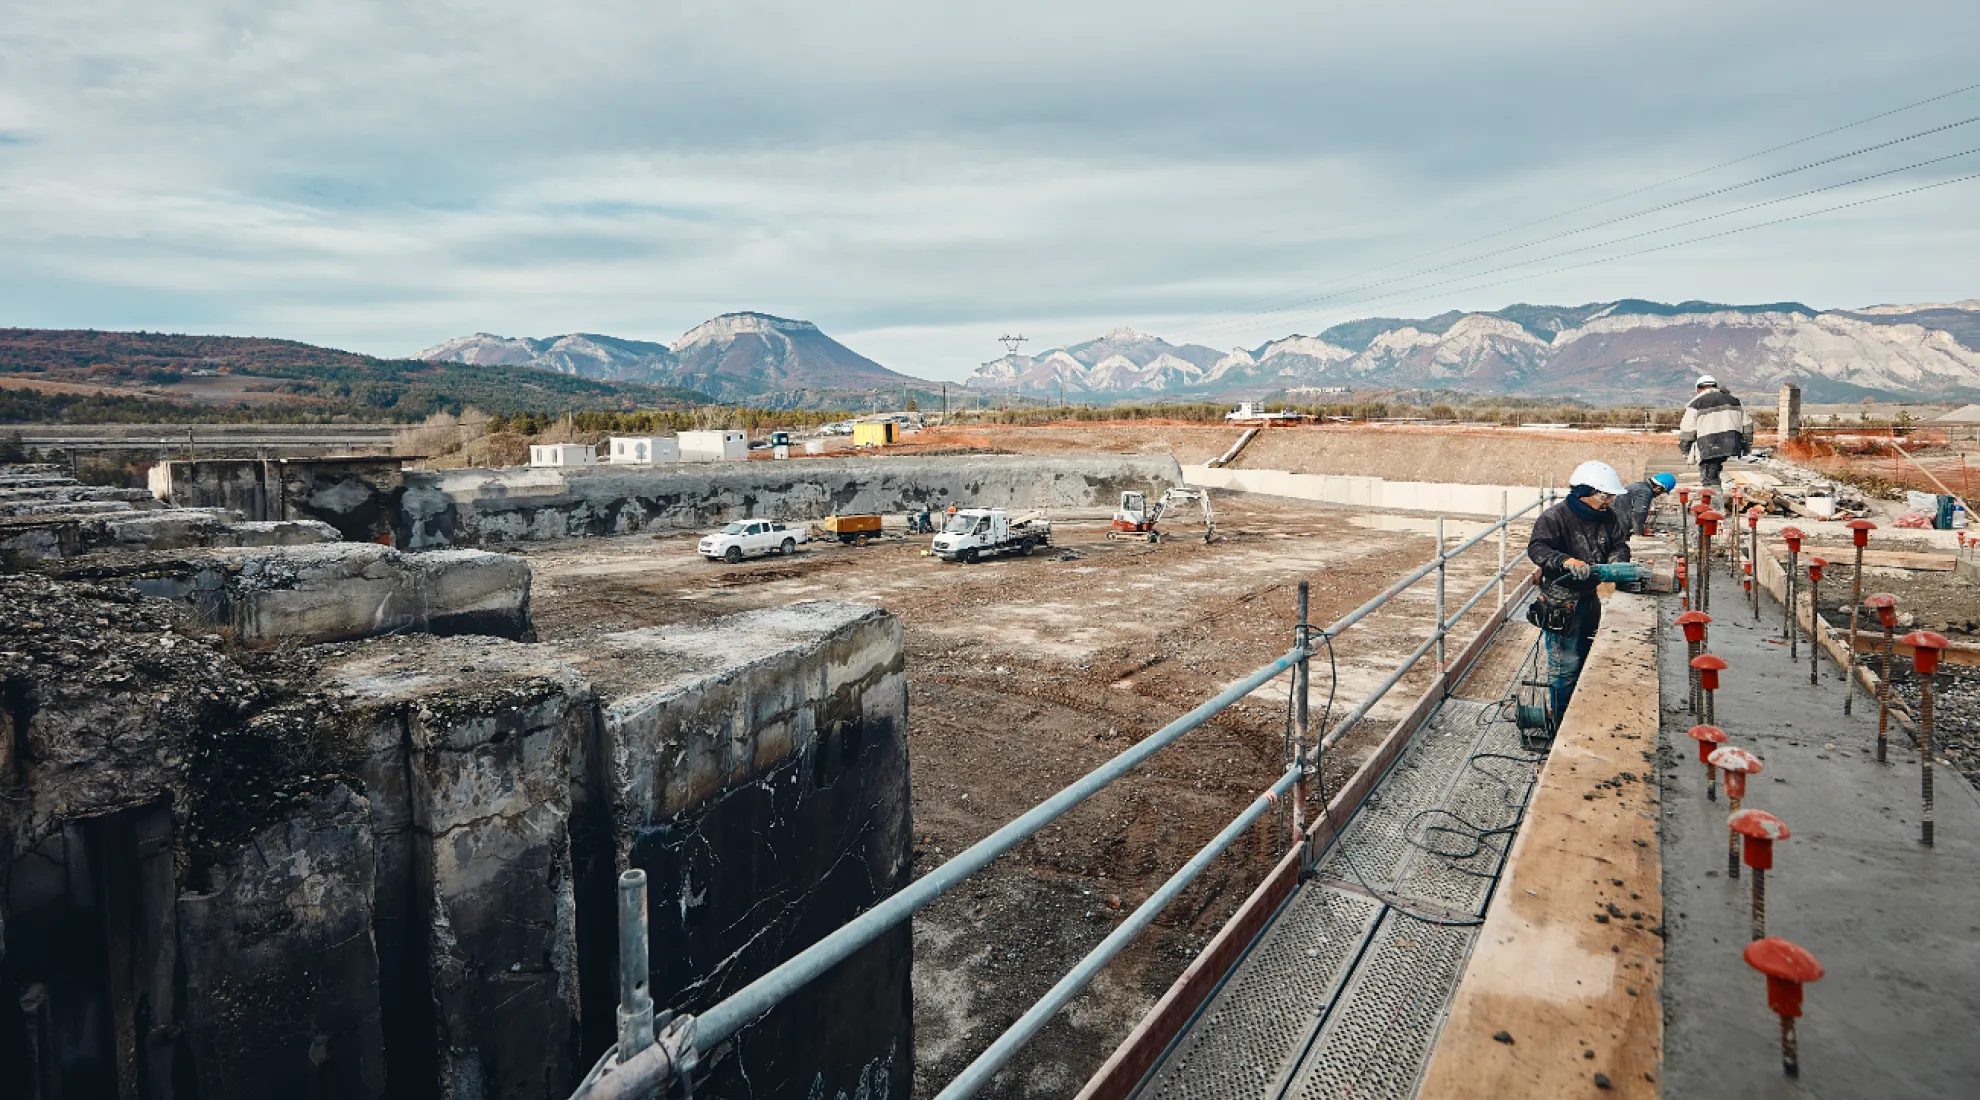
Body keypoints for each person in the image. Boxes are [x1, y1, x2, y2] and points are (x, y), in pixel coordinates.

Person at [1526, 460, 1633, 727]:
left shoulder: (1609, 517)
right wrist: (1565, 561)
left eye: (1610, 496)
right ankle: (1562, 726)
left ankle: (1579, 714)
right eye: (1604, 495)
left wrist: (1615, 564)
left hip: (1589, 600)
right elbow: (1537, 549)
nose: (1608, 501)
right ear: (1585, 492)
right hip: (1561, 602)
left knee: (1587, 658)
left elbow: (1619, 544)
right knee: (1565, 668)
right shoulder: (1555, 517)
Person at [1677, 375, 1754, 489]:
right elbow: (1747, 426)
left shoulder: (1695, 403)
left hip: (1708, 445)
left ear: (1698, 389)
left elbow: (1687, 432)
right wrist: (1746, 446)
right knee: (1714, 470)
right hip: (1731, 443)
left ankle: (1715, 504)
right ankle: (1716, 500)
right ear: (1716, 386)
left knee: (1709, 480)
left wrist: (1685, 450)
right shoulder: (1734, 400)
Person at [1616, 472, 1676, 536]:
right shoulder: (1645, 492)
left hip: (1617, 522)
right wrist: (1639, 534)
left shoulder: (1639, 486)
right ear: (1658, 488)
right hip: (1620, 527)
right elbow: (1638, 514)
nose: (1659, 495)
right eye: (1662, 492)